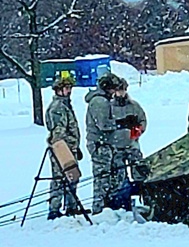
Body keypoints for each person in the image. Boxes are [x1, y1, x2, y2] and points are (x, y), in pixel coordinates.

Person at [86, 74, 147, 214]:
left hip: (126, 144)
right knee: (108, 178)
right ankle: (104, 207)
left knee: (133, 173)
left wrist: (136, 130)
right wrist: (122, 123)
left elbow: (142, 120)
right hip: (107, 145)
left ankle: (121, 204)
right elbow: (104, 125)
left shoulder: (132, 105)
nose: (117, 93)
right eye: (115, 89)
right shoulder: (102, 103)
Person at [45, 76, 82, 219]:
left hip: (69, 148)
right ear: (59, 90)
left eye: (70, 88)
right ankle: (54, 209)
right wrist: (65, 151)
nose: (69, 91)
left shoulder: (65, 105)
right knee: (60, 178)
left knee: (73, 177)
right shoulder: (57, 108)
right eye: (67, 88)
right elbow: (58, 133)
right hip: (61, 149)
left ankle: (71, 207)